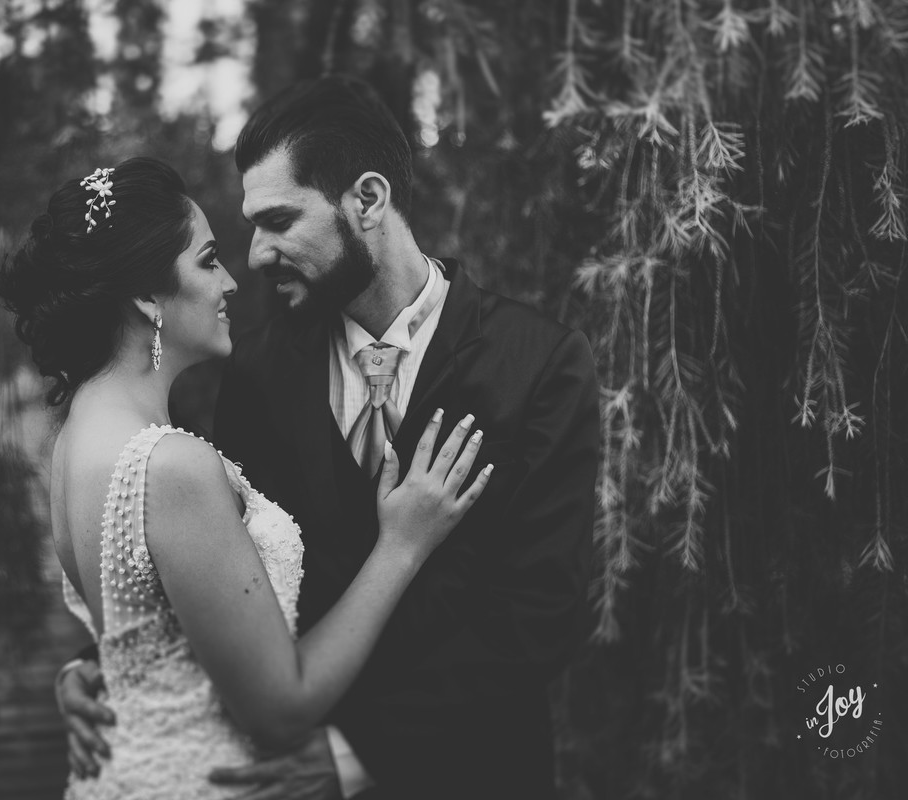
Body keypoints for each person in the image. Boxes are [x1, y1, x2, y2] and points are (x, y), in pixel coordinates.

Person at [57, 77, 601, 799]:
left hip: (479, 772)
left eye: (280, 220)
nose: (255, 255)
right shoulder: (254, 371)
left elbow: (545, 608)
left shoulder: (539, 362)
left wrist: (356, 754)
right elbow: (219, 570)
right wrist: (103, 661)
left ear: (367, 201)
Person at [0, 156, 491, 800]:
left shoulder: (74, 443)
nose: (231, 280)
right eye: (206, 260)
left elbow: (148, 628)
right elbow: (280, 707)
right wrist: (402, 545)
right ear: (146, 294)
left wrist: (91, 670)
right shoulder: (171, 466)